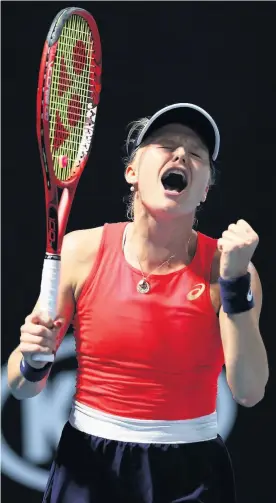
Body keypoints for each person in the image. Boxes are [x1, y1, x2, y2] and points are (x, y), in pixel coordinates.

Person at [7, 103, 269, 503]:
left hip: (192, 474)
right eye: (165, 144)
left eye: (196, 153)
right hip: (88, 466)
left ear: (205, 190)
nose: (181, 154)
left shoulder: (230, 270)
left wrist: (233, 284)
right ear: (132, 172)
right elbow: (23, 387)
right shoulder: (81, 251)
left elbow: (249, 391)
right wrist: (32, 359)